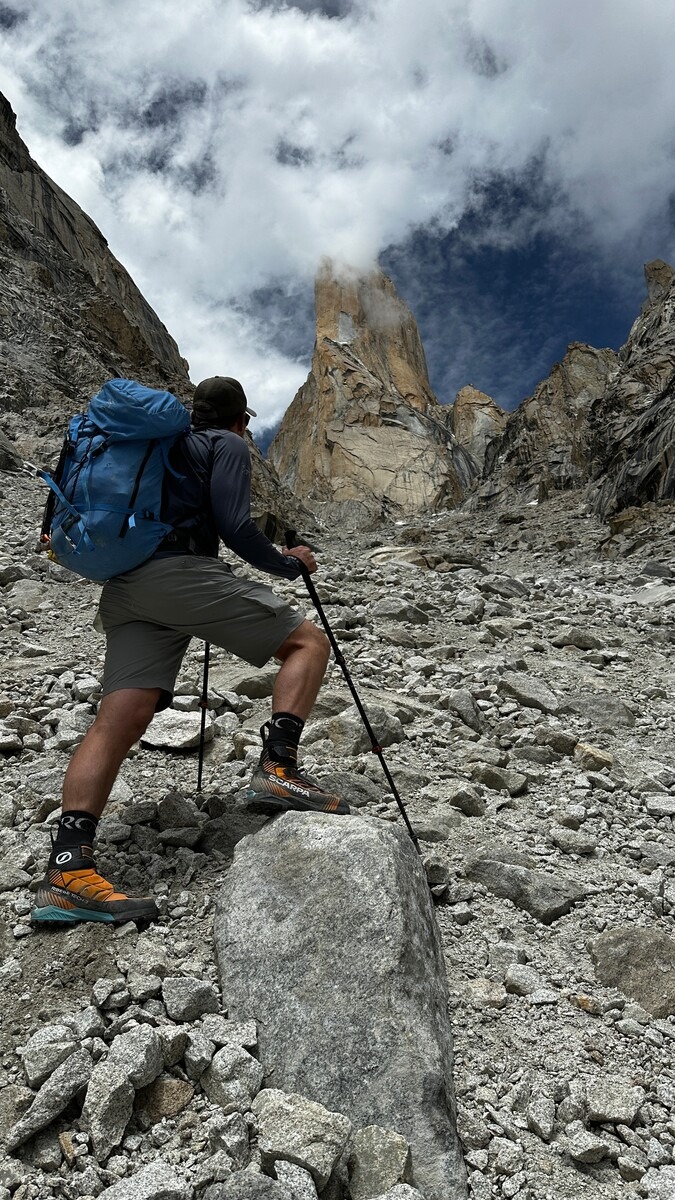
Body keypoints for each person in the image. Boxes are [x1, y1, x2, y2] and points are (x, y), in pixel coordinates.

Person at [32, 376, 348, 926]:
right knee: (308, 642)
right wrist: (288, 563)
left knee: (118, 718)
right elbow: (232, 524)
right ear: (241, 420)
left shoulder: (161, 447)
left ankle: (67, 872)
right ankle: (279, 768)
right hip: (180, 575)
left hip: (128, 586)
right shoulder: (225, 445)